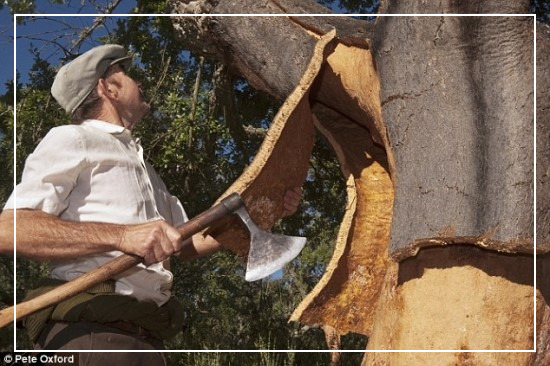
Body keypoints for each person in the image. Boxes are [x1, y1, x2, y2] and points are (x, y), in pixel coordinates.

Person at [0, 44, 302, 361]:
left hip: (149, 337)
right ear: (108, 87)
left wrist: (265, 212)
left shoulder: (146, 169)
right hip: (89, 335)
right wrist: (122, 236)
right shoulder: (73, 138)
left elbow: (188, 242)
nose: (138, 82)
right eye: (126, 74)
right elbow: (11, 229)